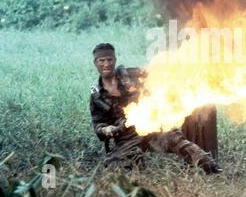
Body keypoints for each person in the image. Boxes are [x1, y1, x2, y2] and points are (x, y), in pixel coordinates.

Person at [89, 43, 222, 174]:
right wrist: (105, 129)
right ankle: (136, 171)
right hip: (127, 137)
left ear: (114, 60)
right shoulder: (97, 96)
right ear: (95, 63)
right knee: (113, 167)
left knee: (180, 143)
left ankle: (211, 169)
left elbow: (158, 77)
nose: (106, 64)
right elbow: (98, 125)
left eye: (109, 59)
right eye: (102, 60)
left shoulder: (131, 74)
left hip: (154, 127)